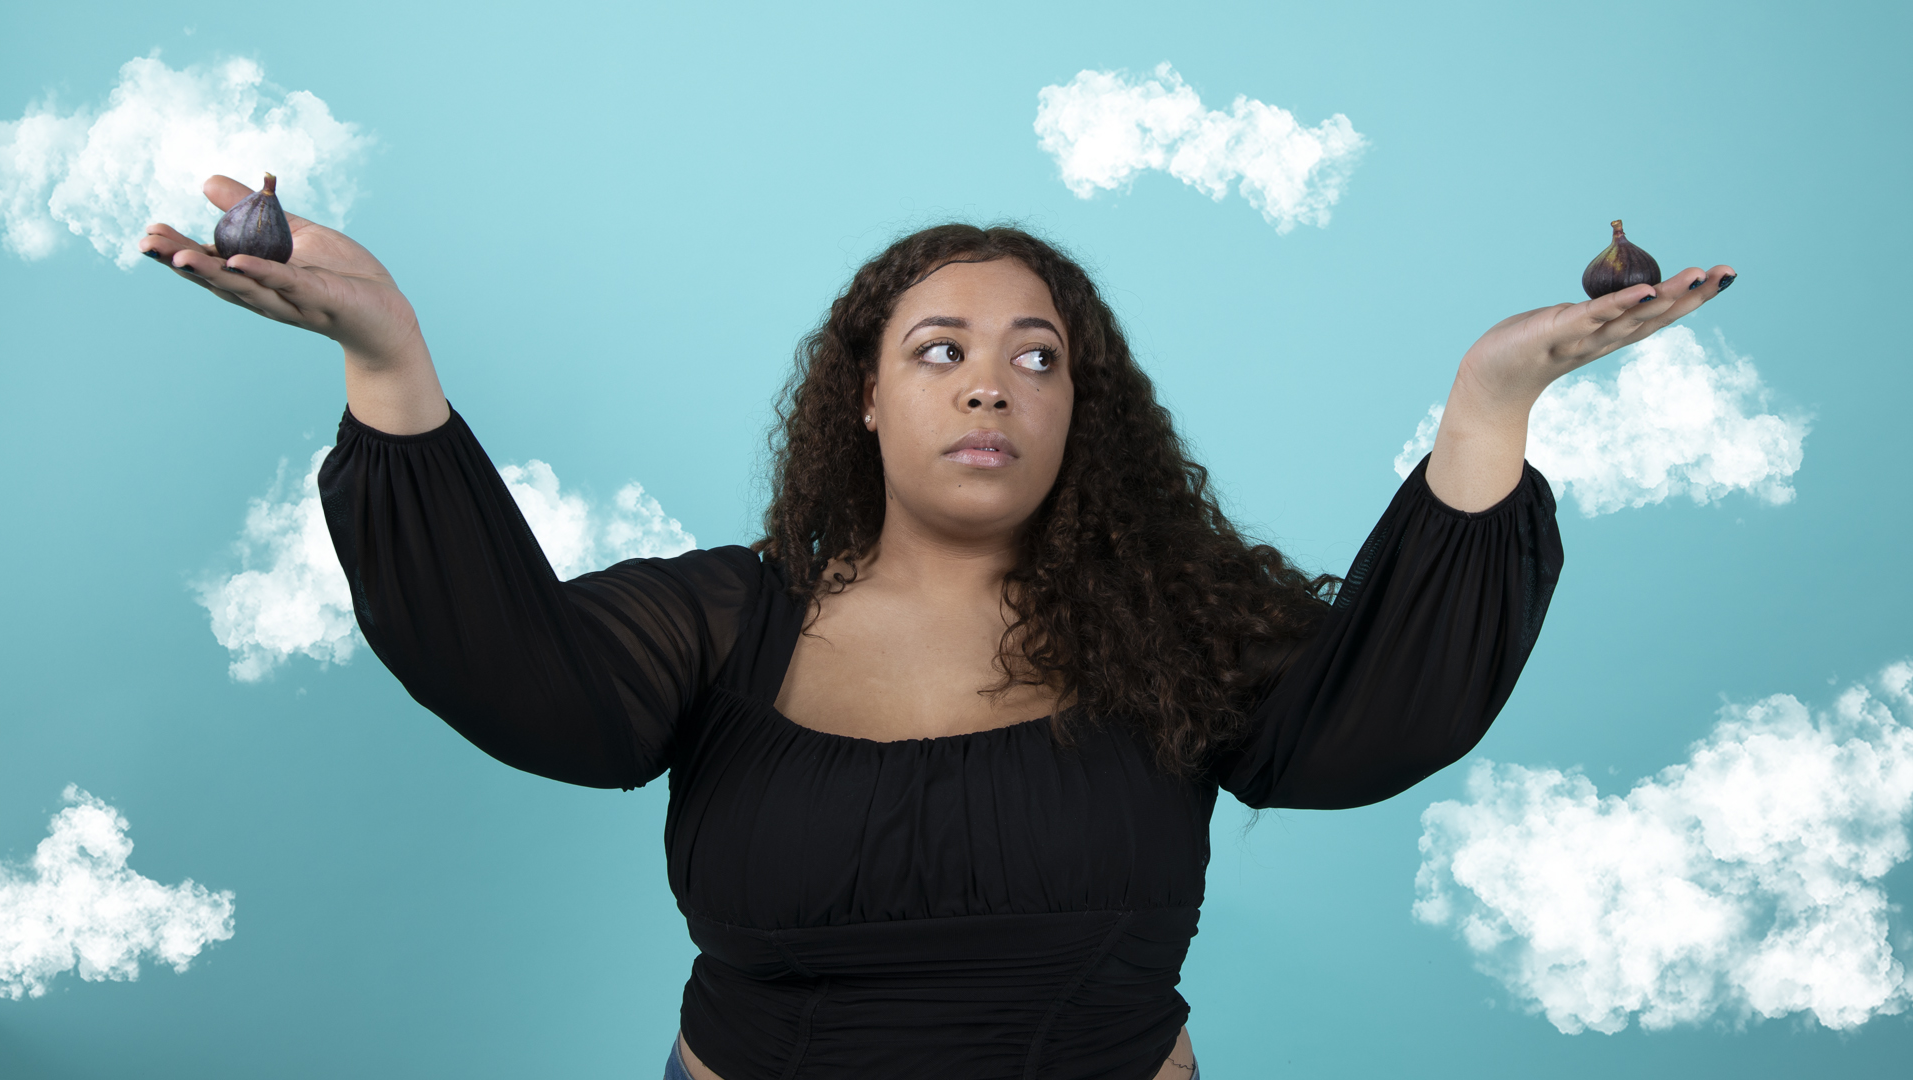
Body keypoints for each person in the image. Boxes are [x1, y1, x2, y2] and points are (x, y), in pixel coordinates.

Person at [143, 177, 1734, 1080]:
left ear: (1078, 411)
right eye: (943, 347)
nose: (991, 381)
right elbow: (518, 674)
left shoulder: (1175, 629)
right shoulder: (718, 620)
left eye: (1038, 357)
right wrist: (388, 360)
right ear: (867, 394)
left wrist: (1492, 395)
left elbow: (1378, 716)